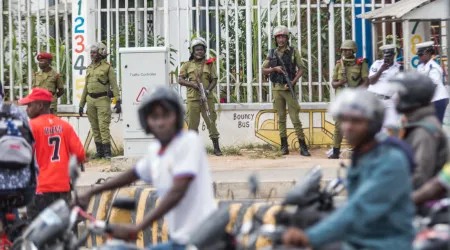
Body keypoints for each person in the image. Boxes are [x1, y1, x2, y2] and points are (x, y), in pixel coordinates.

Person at [76, 86, 216, 250]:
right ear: (146, 121)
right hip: (179, 240)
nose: (160, 122)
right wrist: (92, 192)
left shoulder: (188, 142)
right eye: (154, 117)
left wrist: (139, 226)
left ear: (177, 117)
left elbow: (178, 191)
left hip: (202, 240)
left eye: (166, 115)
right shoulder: (155, 150)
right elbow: (133, 174)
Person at [282, 88, 415, 249]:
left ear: (373, 124)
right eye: (345, 120)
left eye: (357, 121)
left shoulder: (390, 160)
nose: (348, 127)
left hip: (385, 243)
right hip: (360, 239)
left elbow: (359, 209)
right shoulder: (364, 156)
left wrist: (308, 236)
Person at [19, 88, 85, 220]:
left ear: (40, 106)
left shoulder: (30, 127)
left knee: (38, 236)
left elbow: (22, 158)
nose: (27, 109)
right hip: (63, 190)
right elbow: (80, 154)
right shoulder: (64, 126)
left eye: (29, 105)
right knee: (65, 233)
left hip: (39, 191)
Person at [390, 72, 449, 189]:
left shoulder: (424, 131)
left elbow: (419, 178)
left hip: (420, 202)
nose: (396, 98)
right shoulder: (415, 122)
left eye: (400, 94)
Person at [262, 25, 310, 156]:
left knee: (295, 118)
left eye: (283, 37)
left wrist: (293, 82)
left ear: (287, 38)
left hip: (289, 88)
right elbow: (263, 69)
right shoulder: (271, 53)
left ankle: (303, 147)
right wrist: (274, 69)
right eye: (278, 37)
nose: (281, 39)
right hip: (277, 89)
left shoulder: (294, 51)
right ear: (275, 39)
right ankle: (284, 146)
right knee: (281, 118)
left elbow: (301, 69)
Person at [178, 37, 222, 156]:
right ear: (193, 51)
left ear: (204, 50)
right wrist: (191, 84)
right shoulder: (187, 65)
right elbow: (180, 79)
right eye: (197, 50)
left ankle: (216, 148)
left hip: (207, 99)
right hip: (193, 99)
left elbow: (214, 80)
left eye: (201, 49)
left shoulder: (209, 64)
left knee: (211, 122)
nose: (199, 52)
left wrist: (207, 91)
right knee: (192, 125)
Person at [79, 42, 122, 159]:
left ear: (100, 53)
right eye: (91, 53)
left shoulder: (107, 68)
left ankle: (107, 153)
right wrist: (81, 104)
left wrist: (118, 101)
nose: (91, 55)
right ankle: (100, 152)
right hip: (90, 100)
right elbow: (85, 87)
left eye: (94, 52)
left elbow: (114, 85)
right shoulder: (89, 68)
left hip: (103, 99)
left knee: (103, 126)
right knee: (95, 127)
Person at [328, 40, 369, 159]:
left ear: (353, 50)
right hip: (342, 100)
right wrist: (341, 82)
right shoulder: (339, 64)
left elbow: (366, 81)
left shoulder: (361, 63)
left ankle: (358, 150)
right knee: (338, 125)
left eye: (348, 50)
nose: (345, 52)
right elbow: (333, 83)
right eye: (343, 50)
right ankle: (336, 151)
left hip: (355, 100)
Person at [367, 44, 402, 135]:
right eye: (385, 56)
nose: (387, 58)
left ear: (394, 55)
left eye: (389, 56)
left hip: (389, 100)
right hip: (375, 99)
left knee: (392, 126)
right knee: (374, 126)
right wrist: (381, 70)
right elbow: (371, 81)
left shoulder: (398, 68)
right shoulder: (377, 64)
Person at [416, 41, 449, 123]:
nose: (419, 57)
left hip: (438, 99)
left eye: (421, 55)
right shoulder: (420, 66)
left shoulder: (434, 67)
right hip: (429, 99)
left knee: (435, 124)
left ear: (428, 53)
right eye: (418, 55)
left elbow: (432, 86)